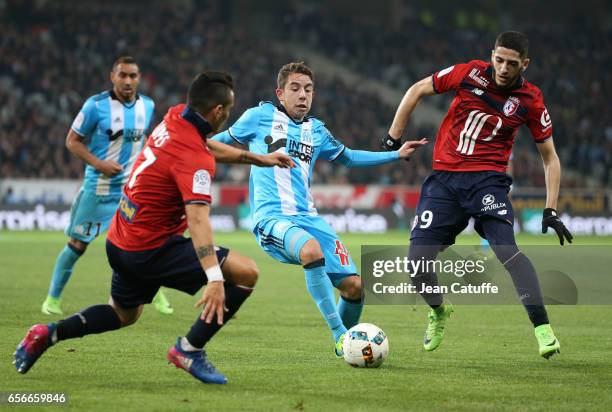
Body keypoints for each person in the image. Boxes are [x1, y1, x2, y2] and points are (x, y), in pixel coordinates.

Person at [14, 71, 295, 384]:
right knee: (246, 273)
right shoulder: (193, 159)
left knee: (123, 314)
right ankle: (189, 349)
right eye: (227, 113)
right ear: (218, 111)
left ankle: (48, 334)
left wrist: (258, 158)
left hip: (121, 238)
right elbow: (198, 219)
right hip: (149, 247)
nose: (226, 119)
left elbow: (205, 145)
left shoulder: (176, 116)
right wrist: (214, 277)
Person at [212, 62, 427, 356]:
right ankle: (341, 337)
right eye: (295, 88)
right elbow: (217, 143)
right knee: (311, 251)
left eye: (309, 89)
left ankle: (348, 351)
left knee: (354, 287)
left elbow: (349, 158)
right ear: (281, 93)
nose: (303, 95)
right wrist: (188, 146)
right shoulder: (259, 116)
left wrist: (395, 155)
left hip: (309, 219)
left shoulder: (316, 131)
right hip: (271, 219)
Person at [382, 31, 573, 358]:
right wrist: (391, 139)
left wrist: (550, 209)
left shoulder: (530, 100)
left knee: (506, 250)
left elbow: (550, 157)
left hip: (488, 182)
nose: (502, 68)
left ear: (524, 64)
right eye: (498, 59)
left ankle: (543, 330)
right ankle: (440, 310)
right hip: (444, 182)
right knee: (417, 264)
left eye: (512, 63)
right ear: (492, 55)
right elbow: (417, 90)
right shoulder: (468, 73)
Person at [41, 56, 173, 316]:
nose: (127, 81)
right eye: (122, 75)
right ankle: (52, 299)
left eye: (132, 76)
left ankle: (156, 295)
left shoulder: (147, 105)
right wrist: (99, 164)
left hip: (131, 190)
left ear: (139, 78)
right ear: (112, 76)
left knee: (144, 244)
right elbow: (72, 141)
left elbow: (143, 138)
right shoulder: (95, 106)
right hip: (98, 190)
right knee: (77, 245)